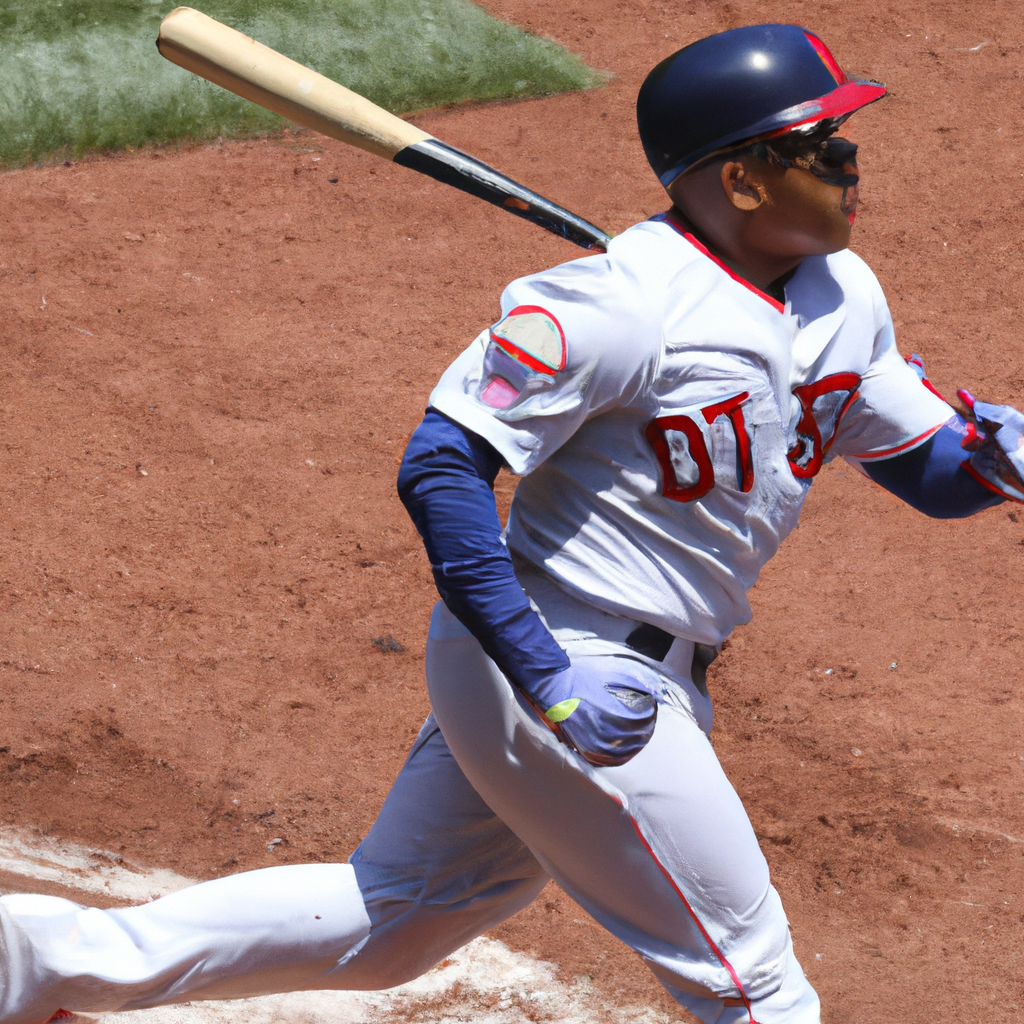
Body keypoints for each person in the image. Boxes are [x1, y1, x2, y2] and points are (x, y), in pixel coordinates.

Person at [3, 23, 1023, 1024]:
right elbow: (440, 466)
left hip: (618, 669)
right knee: (754, 988)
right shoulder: (616, 307)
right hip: (557, 661)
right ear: (744, 180)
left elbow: (924, 466)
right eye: (821, 145)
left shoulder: (841, 294)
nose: (850, 162)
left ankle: (38, 957)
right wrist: (545, 677)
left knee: (393, 919)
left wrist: (991, 456)